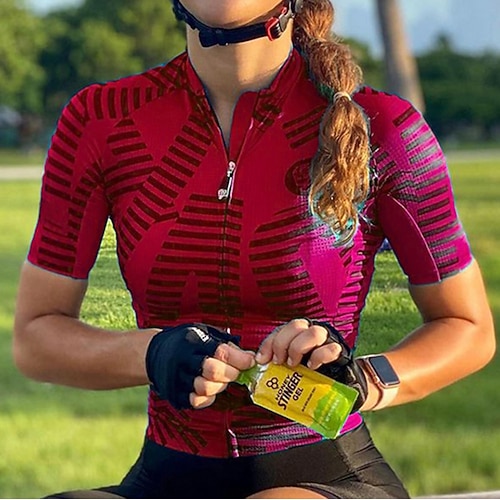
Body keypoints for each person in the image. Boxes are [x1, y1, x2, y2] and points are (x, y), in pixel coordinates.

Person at [13, 0, 495, 498]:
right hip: (165, 472)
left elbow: (468, 327)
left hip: (326, 474)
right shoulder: (101, 119)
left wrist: (361, 379)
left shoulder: (387, 127)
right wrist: (151, 352)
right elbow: (36, 337)